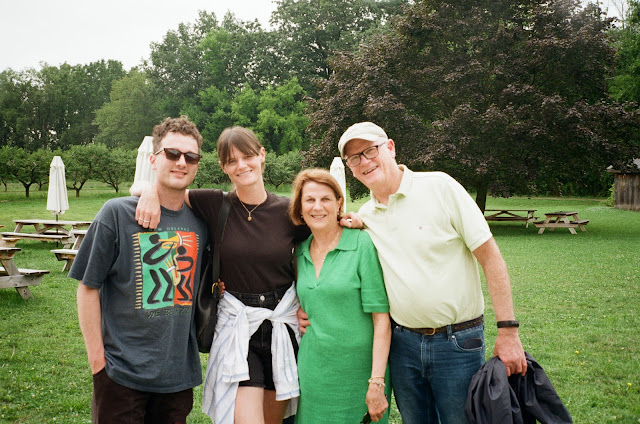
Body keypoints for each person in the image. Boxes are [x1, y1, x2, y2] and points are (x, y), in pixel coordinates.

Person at [299, 122, 527, 424]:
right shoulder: (365, 217)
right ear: (351, 169)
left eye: (370, 151)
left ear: (390, 148)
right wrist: (309, 308)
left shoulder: (440, 187)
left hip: (457, 342)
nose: (365, 162)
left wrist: (508, 331)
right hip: (403, 345)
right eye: (355, 158)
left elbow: (491, 258)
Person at [134, 126, 308, 424]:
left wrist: (352, 220)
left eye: (247, 156)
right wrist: (149, 192)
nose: (241, 165)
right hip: (238, 327)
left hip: (282, 325)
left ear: (262, 155)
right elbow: (169, 189)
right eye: (231, 161)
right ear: (223, 167)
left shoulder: (289, 210)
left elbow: (321, 247)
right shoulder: (215, 204)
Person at [72, 116, 208, 423]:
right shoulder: (117, 214)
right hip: (120, 375)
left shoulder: (202, 220)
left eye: (191, 156)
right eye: (172, 153)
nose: (181, 162)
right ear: (154, 160)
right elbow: (88, 287)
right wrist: (97, 362)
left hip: (177, 379)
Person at [288, 169, 391, 423]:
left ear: (338, 204)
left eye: (325, 199)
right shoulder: (298, 252)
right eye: (309, 200)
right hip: (314, 374)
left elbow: (381, 319)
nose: (317, 206)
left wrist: (377, 382)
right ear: (300, 209)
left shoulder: (361, 244)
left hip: (359, 375)